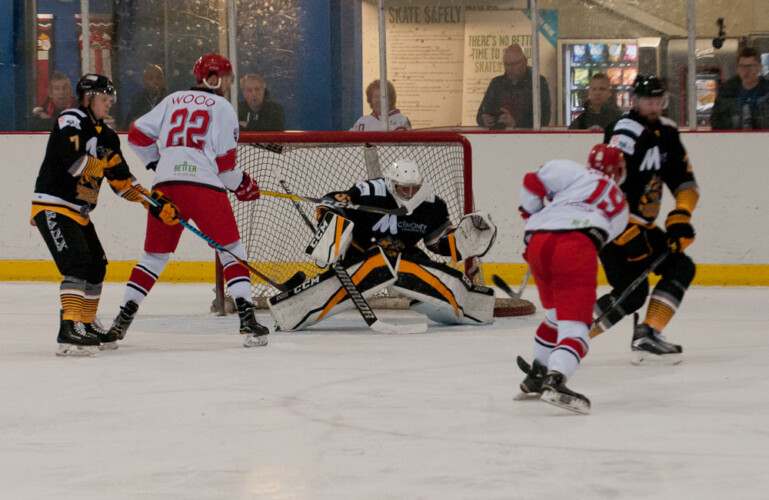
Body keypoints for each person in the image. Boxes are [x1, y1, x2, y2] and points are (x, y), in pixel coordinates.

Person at [110, 53, 269, 348]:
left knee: (153, 257)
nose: (229, 84)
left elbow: (136, 135)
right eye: (227, 78)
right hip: (203, 187)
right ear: (215, 78)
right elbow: (225, 169)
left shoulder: (172, 100)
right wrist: (244, 185)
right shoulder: (223, 108)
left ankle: (121, 321)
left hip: (166, 187)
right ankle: (248, 322)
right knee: (232, 250)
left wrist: (158, 164)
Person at [30, 73, 176, 356]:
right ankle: (69, 327)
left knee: (97, 265)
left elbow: (122, 182)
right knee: (77, 264)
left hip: (79, 211)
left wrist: (151, 201)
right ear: (87, 98)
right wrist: (105, 165)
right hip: (53, 205)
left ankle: (87, 323)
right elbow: (75, 163)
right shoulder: (71, 120)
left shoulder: (107, 137)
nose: (109, 103)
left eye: (111, 99)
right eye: (104, 98)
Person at [268, 159, 497, 331]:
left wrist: (463, 240)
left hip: (403, 256)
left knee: (419, 267)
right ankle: (295, 310)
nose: (409, 194)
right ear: (390, 183)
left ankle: (469, 305)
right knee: (376, 260)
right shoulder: (368, 192)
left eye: (414, 188)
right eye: (403, 188)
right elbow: (329, 202)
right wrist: (331, 234)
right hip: (359, 254)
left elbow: (437, 243)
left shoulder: (432, 205)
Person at [592, 75, 700, 365]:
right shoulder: (624, 132)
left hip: (644, 228)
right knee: (632, 294)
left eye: (658, 100)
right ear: (634, 101)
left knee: (678, 268)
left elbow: (685, 183)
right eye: (648, 100)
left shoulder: (667, 134)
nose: (654, 106)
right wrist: (625, 233)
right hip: (614, 228)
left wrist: (680, 218)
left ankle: (648, 332)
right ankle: (568, 337)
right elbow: (605, 187)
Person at [515, 144, 628, 414]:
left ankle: (538, 374)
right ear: (617, 171)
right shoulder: (621, 204)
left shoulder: (571, 170)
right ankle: (556, 379)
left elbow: (531, 182)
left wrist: (533, 217)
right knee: (576, 328)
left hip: (538, 242)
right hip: (576, 247)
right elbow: (600, 237)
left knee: (554, 317)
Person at [476, 44, 551, 129]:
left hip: (528, 136)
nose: (509, 69)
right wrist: (484, 120)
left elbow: (544, 119)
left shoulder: (538, 83)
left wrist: (516, 123)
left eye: (513, 64)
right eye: (506, 65)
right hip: (498, 135)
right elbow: (481, 113)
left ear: (524, 62)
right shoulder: (496, 83)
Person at [711, 47, 769, 130]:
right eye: (742, 66)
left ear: (759, 68)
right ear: (737, 69)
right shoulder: (726, 92)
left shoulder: (767, 92)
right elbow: (716, 121)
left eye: (750, 66)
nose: (746, 71)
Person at [123, 64, 168, 129]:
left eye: (159, 78)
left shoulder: (169, 100)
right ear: (143, 82)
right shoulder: (138, 100)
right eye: (151, 78)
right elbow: (128, 125)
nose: (155, 82)